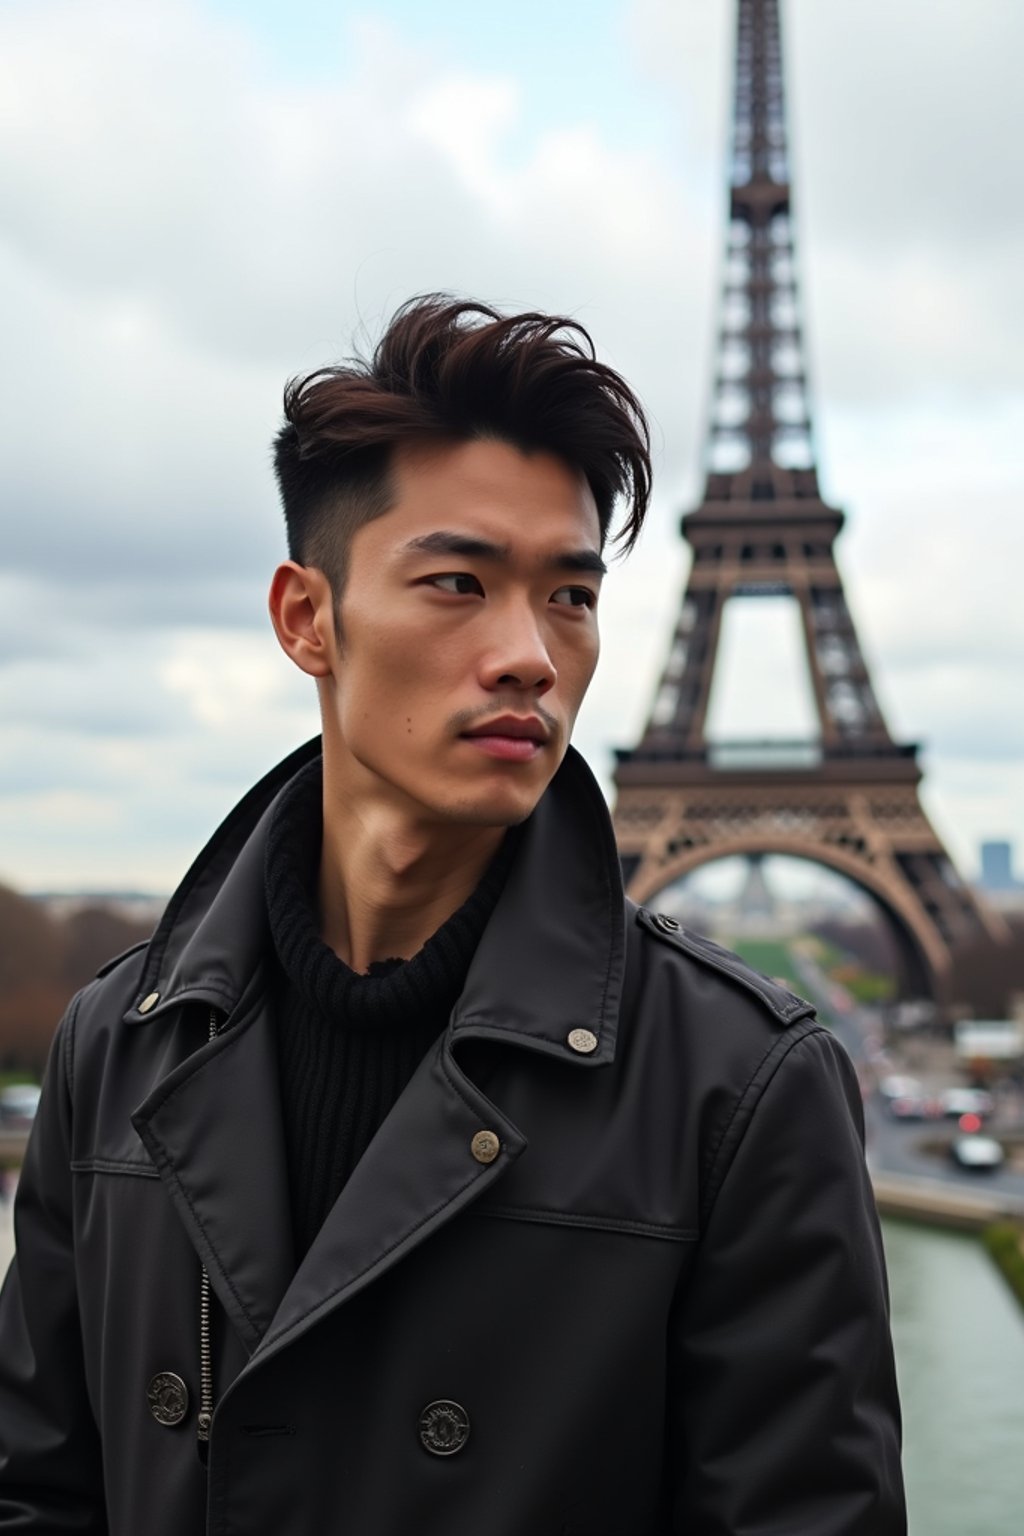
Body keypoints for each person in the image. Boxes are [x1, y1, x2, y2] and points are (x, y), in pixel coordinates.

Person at [0, 296, 905, 1534]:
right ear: (305, 618)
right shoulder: (110, 1045)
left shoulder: (745, 1088)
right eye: (458, 582)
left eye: (570, 597)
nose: (529, 652)